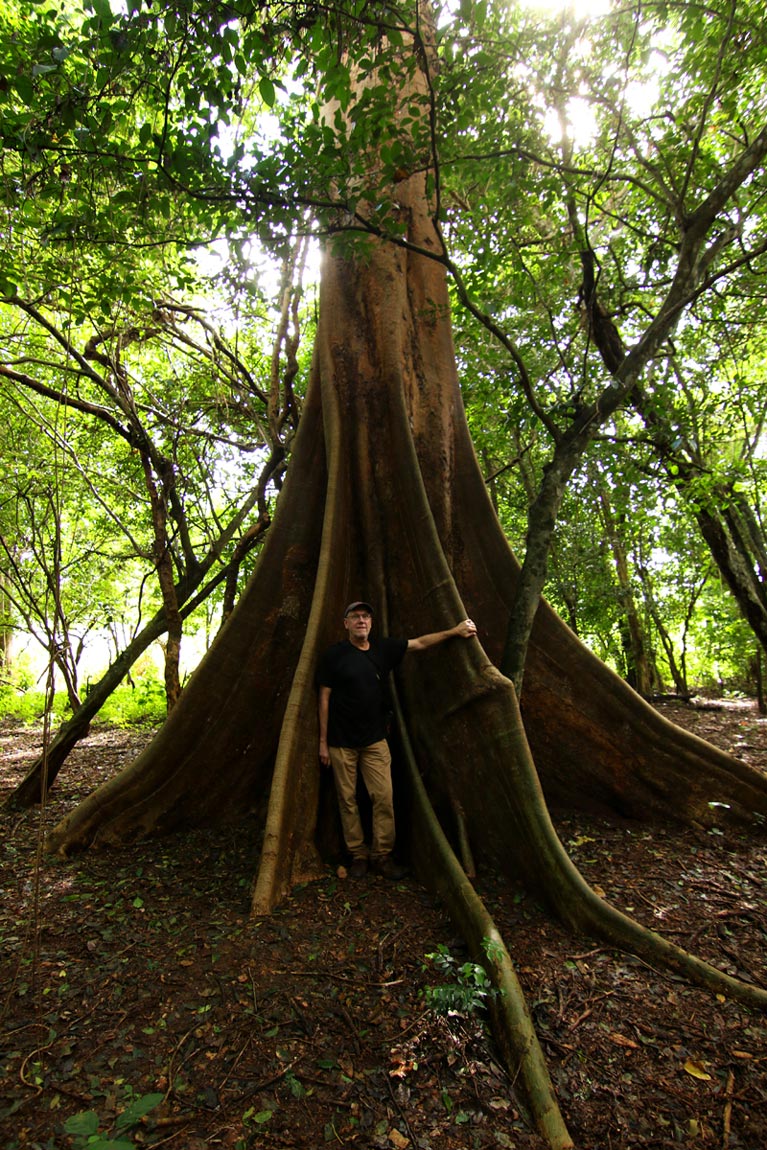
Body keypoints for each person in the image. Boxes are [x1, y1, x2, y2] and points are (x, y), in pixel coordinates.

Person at [317, 601, 477, 879]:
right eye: (355, 617)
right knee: (347, 800)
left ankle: (381, 855)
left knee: (383, 797)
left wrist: (454, 631)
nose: (361, 621)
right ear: (346, 624)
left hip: (375, 741)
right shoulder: (334, 655)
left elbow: (419, 643)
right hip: (341, 742)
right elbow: (324, 697)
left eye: (365, 616)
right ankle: (358, 854)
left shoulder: (383, 649)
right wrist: (322, 742)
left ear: (371, 622)